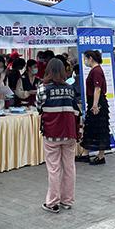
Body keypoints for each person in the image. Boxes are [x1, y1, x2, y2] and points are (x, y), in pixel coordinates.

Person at [36, 58, 82, 213]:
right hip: (69, 133)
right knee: (69, 167)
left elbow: (39, 108)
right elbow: (76, 110)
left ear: (48, 71)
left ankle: (52, 202)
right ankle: (67, 200)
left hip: (51, 134)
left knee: (54, 168)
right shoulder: (70, 89)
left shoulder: (43, 89)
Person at [80, 50, 111, 165]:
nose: (85, 61)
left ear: (90, 58)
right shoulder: (94, 70)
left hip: (97, 103)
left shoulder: (97, 70)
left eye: (85, 58)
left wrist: (95, 105)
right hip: (93, 102)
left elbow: (97, 89)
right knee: (90, 128)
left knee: (100, 129)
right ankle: (85, 153)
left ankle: (101, 156)